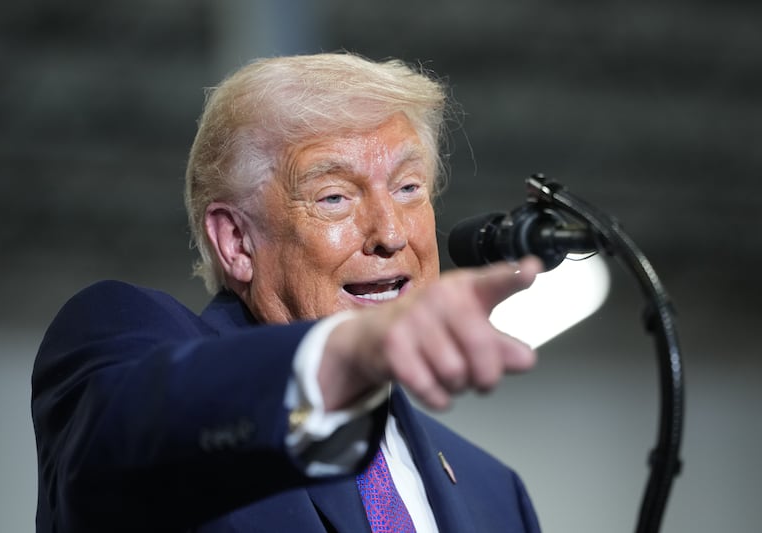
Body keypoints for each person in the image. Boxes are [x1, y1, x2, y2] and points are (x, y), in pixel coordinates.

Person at [31, 52, 544, 532]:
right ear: (236, 241)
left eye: (408, 188)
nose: (391, 233)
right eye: (335, 196)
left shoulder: (497, 495)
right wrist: (344, 354)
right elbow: (115, 450)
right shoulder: (130, 343)